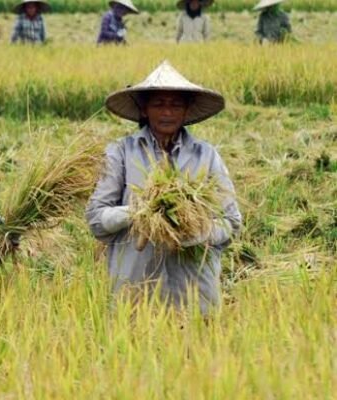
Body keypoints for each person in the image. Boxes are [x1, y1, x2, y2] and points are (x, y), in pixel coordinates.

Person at [85, 61, 242, 315]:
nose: (167, 112)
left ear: (186, 110)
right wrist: (138, 212)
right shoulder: (121, 152)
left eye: (175, 104)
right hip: (135, 295)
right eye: (159, 104)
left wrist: (197, 231)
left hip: (195, 295)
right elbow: (96, 219)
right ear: (144, 110)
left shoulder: (206, 155)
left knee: (196, 354)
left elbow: (231, 222)